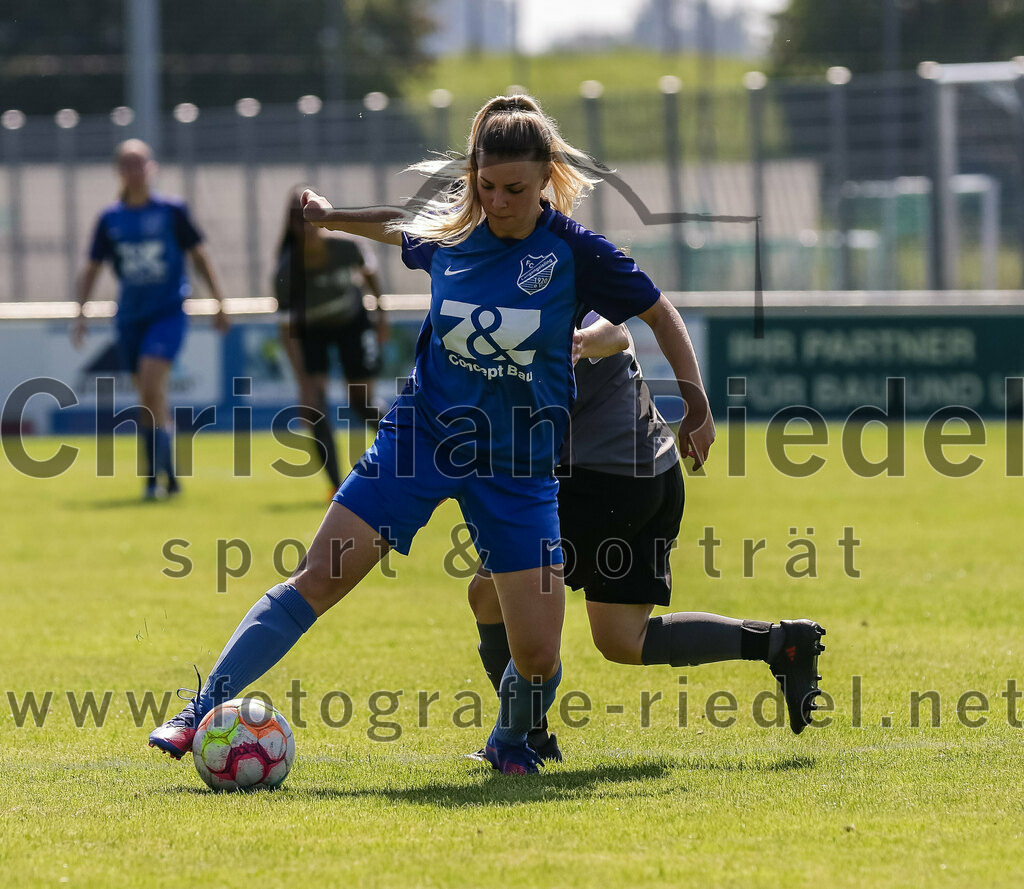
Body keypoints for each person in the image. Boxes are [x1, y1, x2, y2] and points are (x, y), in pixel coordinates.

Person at [149, 93, 715, 775]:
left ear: (546, 182)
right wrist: (331, 218)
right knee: (318, 578)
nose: (499, 202)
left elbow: (657, 312)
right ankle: (197, 708)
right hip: (421, 442)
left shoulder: (574, 252)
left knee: (538, 656)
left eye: (515, 190)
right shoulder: (454, 232)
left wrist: (696, 402)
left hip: (518, 466)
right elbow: (399, 225)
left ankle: (511, 742)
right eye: (486, 186)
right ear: (473, 174)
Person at [466, 312, 827, 763]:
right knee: (622, 638)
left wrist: (578, 341)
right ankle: (780, 643)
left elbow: (614, 331)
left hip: (602, 481)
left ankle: (525, 742)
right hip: (653, 475)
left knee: (489, 596)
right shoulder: (525, 285)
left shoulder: (545, 282)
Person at [72, 138, 229, 499]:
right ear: (118, 171)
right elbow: (92, 267)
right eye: (126, 164)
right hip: (129, 317)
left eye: (139, 163)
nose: (134, 171)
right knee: (149, 396)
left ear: (152, 168)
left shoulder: (172, 211)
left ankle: (154, 479)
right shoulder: (110, 219)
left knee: (150, 380)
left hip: (168, 312)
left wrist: (220, 301)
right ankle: (165, 477)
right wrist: (80, 312)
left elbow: (200, 255)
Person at [274, 187, 389, 494]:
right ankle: (336, 486)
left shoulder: (345, 247)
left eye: (311, 221)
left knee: (362, 403)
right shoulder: (287, 270)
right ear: (291, 227)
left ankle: (408, 454)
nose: (307, 229)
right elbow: (287, 331)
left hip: (352, 324)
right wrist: (303, 382)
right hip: (313, 332)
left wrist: (381, 315)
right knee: (315, 409)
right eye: (299, 222)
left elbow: (370, 274)